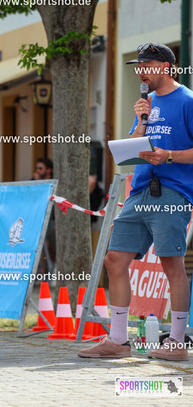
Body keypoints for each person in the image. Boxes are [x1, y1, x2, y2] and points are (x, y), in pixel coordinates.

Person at [79, 43, 193, 361]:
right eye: (138, 66)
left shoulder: (187, 101)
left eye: (147, 65)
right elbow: (133, 149)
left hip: (172, 192)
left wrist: (168, 156)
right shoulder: (147, 103)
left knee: (171, 265)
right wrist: (141, 121)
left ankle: (177, 342)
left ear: (166, 67)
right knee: (115, 259)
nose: (141, 71)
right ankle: (118, 340)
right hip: (139, 189)